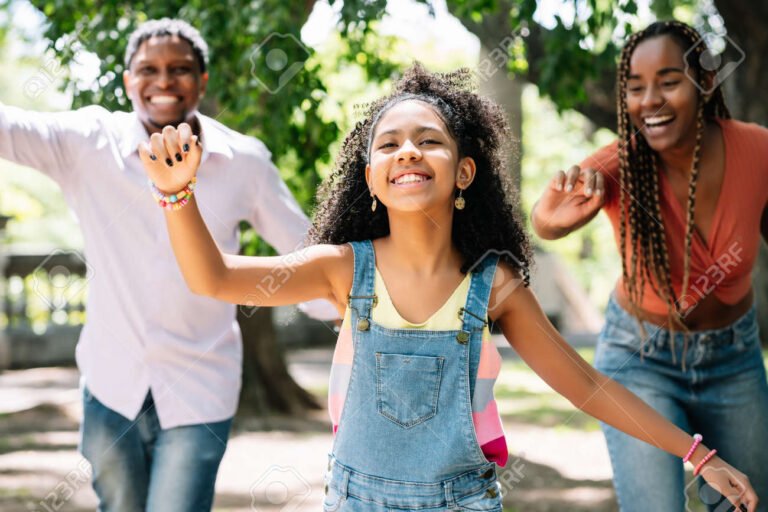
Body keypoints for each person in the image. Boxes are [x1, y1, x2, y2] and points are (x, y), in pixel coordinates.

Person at [139, 63, 759, 512]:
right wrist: (176, 192)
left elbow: (590, 386)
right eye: (390, 144)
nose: (408, 151)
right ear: (372, 178)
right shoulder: (339, 268)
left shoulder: (495, 287)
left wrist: (698, 455)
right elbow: (213, 277)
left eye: (428, 140)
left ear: (464, 171)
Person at [0, 18, 335, 511]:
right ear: (127, 81)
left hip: (201, 387)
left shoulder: (244, 161)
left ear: (202, 81)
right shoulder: (86, 141)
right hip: (111, 382)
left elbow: (306, 254)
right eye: (148, 69)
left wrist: (353, 310)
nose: (163, 81)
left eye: (180, 69)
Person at [531, 20, 768, 512]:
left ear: (704, 82)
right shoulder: (621, 163)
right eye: (635, 88)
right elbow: (546, 221)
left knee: (752, 503)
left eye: (668, 81)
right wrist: (550, 219)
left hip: (733, 358)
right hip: (640, 358)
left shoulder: (757, 151)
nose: (649, 100)